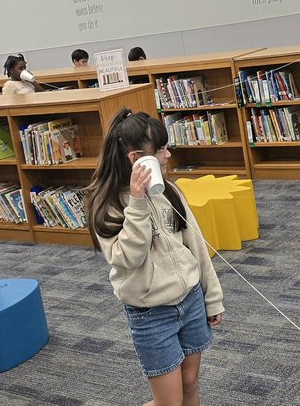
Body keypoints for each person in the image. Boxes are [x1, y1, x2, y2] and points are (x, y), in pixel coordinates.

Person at [84, 109, 224, 406]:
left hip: (190, 300)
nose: (168, 155)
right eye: (160, 150)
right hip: (151, 313)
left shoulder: (170, 192)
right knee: (169, 402)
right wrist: (137, 203)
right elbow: (127, 258)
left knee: (190, 384)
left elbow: (197, 248)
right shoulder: (107, 206)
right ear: (137, 159)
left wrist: (212, 297)